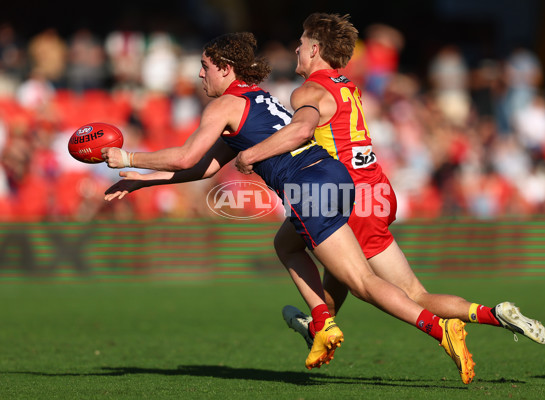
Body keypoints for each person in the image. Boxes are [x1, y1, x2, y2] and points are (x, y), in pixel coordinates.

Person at [103, 31, 475, 384]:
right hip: (333, 175)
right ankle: (323, 321)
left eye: (205, 65)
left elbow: (186, 156)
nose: (200, 73)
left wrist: (127, 156)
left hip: (308, 186)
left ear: (225, 68)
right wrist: (140, 179)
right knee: (286, 245)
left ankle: (439, 327)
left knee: (361, 282)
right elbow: (206, 167)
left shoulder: (225, 104)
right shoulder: (253, 98)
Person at [234, 11, 545, 369]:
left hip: (343, 198)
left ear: (316, 48)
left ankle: (342, 324)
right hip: (375, 191)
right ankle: (494, 314)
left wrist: (253, 153)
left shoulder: (308, 90)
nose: (296, 48)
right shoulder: (346, 84)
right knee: (395, 286)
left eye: (302, 43)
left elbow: (302, 130)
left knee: (358, 281)